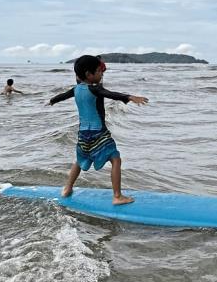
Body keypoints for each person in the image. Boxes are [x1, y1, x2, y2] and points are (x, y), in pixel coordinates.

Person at [49, 54, 148, 203]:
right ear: (89, 74)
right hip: (98, 132)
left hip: (83, 133)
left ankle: (67, 188)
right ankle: (117, 196)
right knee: (115, 158)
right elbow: (109, 94)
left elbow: (62, 96)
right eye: (98, 71)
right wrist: (128, 97)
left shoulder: (75, 90)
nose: (101, 74)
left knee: (80, 159)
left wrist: (52, 101)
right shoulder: (94, 89)